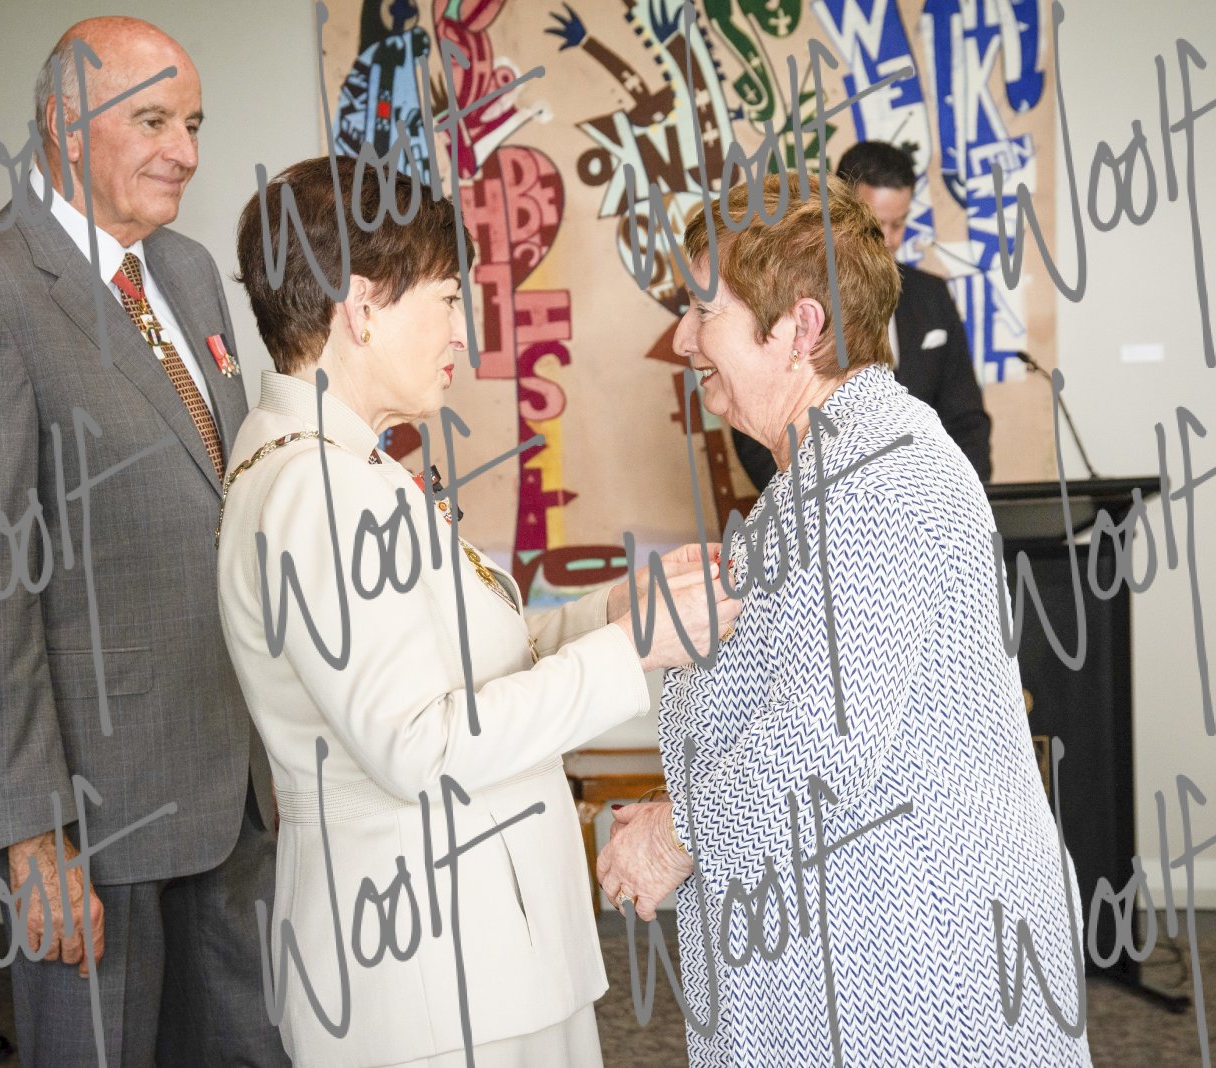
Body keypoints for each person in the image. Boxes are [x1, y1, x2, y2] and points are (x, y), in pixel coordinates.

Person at [218, 155, 738, 1067]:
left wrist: (614, 612)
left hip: (467, 950)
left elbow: (460, 659)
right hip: (429, 961)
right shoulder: (320, 489)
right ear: (362, 307)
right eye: (449, 299)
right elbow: (420, 746)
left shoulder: (339, 465)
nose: (466, 331)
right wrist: (631, 650)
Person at [598, 174, 1091, 1066]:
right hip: (868, 947)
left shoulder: (881, 477)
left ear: (801, 328)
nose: (682, 339)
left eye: (703, 311)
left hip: (915, 961)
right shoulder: (831, 467)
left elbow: (821, 743)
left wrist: (676, 837)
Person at [0, 19, 285, 1064]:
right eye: (153, 121)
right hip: (91, 827)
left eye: (193, 123)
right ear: (65, 124)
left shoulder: (189, 272)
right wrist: (31, 836)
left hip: (228, 797)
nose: (185, 151)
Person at [731, 140, 993, 486]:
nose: (888, 240)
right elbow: (754, 431)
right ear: (839, 213)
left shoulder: (932, 296)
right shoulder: (790, 298)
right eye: (875, 224)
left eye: (898, 224)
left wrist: (962, 496)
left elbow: (966, 421)